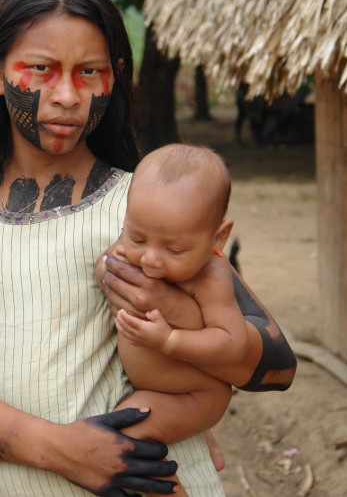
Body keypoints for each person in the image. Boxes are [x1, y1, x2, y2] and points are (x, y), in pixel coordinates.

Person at [0, 0, 297, 497]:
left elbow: (277, 366)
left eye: (90, 72)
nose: (66, 95)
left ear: (115, 77)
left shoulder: (144, 211)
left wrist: (174, 325)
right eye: (41, 69)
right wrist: (66, 451)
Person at [99, 143, 247, 496]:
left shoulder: (211, 277)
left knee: (123, 437)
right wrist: (107, 265)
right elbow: (106, 269)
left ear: (218, 237)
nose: (150, 259)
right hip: (155, 386)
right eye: (138, 237)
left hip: (196, 394)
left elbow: (232, 341)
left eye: (174, 250)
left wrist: (169, 341)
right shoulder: (136, 248)